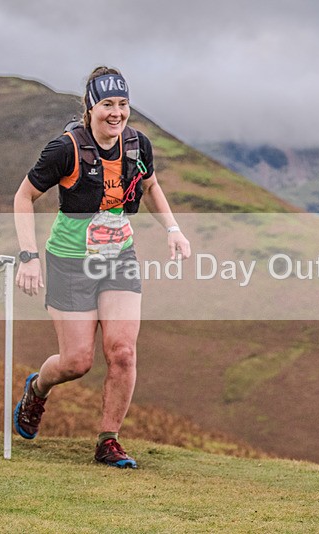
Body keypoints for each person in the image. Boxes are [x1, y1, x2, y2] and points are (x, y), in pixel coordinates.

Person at [13, 66, 191, 468]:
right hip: (70, 262)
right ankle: (37, 389)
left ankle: (108, 441)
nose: (116, 113)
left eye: (123, 104)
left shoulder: (138, 146)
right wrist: (28, 256)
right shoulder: (65, 149)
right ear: (91, 107)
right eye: (107, 104)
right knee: (76, 362)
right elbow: (23, 197)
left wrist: (173, 230)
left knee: (123, 352)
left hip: (118, 258)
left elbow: (150, 186)